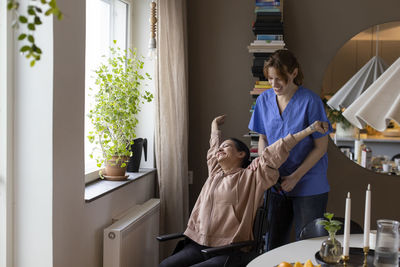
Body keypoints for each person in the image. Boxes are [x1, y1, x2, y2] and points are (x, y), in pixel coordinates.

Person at [159, 114, 329, 267]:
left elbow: (279, 149)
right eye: (221, 146)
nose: (220, 149)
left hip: (229, 249)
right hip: (198, 244)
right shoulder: (215, 172)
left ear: (241, 154)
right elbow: (213, 149)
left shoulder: (252, 177)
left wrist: (310, 129)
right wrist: (214, 126)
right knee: (165, 265)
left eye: (226, 146)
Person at [248, 49, 333, 245]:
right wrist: (266, 166)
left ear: (294, 73)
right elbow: (263, 138)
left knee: (308, 245)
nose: (274, 84)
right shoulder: (264, 100)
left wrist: (295, 177)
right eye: (270, 78)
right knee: (272, 244)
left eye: (280, 78)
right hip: (275, 182)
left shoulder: (310, 101)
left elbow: (320, 147)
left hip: (309, 181)